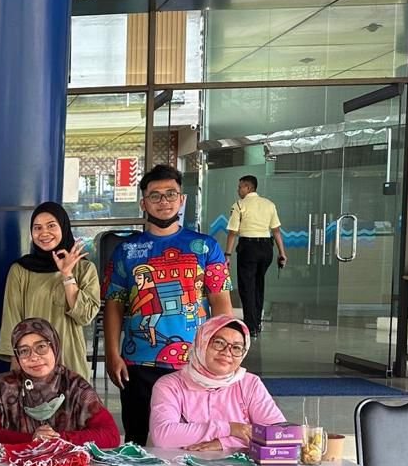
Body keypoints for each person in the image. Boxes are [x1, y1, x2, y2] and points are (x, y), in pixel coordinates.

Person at [103, 165, 233, 445]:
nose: (163, 201)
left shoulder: (206, 247)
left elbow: (221, 305)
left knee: (192, 439)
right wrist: (112, 354)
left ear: (182, 199)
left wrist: (223, 353)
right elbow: (114, 304)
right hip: (137, 362)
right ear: (143, 203)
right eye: (155, 195)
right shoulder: (126, 250)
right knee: (138, 439)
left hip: (193, 363)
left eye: (171, 194)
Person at [148, 316, 286, 451]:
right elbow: (163, 436)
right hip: (181, 464)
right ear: (202, 343)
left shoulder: (250, 384)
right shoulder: (170, 385)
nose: (227, 352)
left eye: (236, 347)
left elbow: (279, 434)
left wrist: (223, 443)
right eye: (219, 343)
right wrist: (230, 428)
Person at [0, 201, 100, 378]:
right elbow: (12, 320)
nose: (44, 233)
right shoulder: (20, 270)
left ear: (63, 228)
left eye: (51, 226)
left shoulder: (84, 269)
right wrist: (15, 365)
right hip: (32, 362)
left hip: (69, 361)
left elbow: (84, 316)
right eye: (37, 228)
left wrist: (67, 275)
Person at [0, 319, 120, 448]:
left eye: (41, 347)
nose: (34, 357)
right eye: (24, 351)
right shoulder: (3, 386)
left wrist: (58, 439)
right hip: (12, 464)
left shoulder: (75, 386)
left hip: (67, 464)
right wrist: (31, 439)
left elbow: (110, 435)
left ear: (54, 346)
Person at [224, 175, 287, 339]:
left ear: (248, 188)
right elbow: (276, 231)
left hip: (248, 248)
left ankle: (250, 327)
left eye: (240, 187)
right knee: (258, 285)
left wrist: (227, 254)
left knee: (247, 287)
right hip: (266, 248)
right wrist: (282, 253)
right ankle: (257, 323)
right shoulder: (269, 204)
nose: (238, 190)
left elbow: (232, 233)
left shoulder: (239, 205)